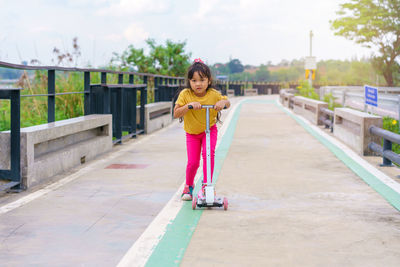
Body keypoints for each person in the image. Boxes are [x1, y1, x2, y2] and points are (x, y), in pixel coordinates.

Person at [174, 58, 230, 201]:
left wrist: (222, 102)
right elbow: (176, 113)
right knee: (193, 162)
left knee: (208, 154)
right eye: (194, 80)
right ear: (189, 81)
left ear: (209, 80)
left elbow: (227, 102)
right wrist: (189, 106)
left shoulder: (213, 94)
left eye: (202, 80)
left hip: (209, 130)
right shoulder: (185, 94)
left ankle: (207, 186)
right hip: (192, 133)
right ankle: (188, 186)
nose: (198, 84)